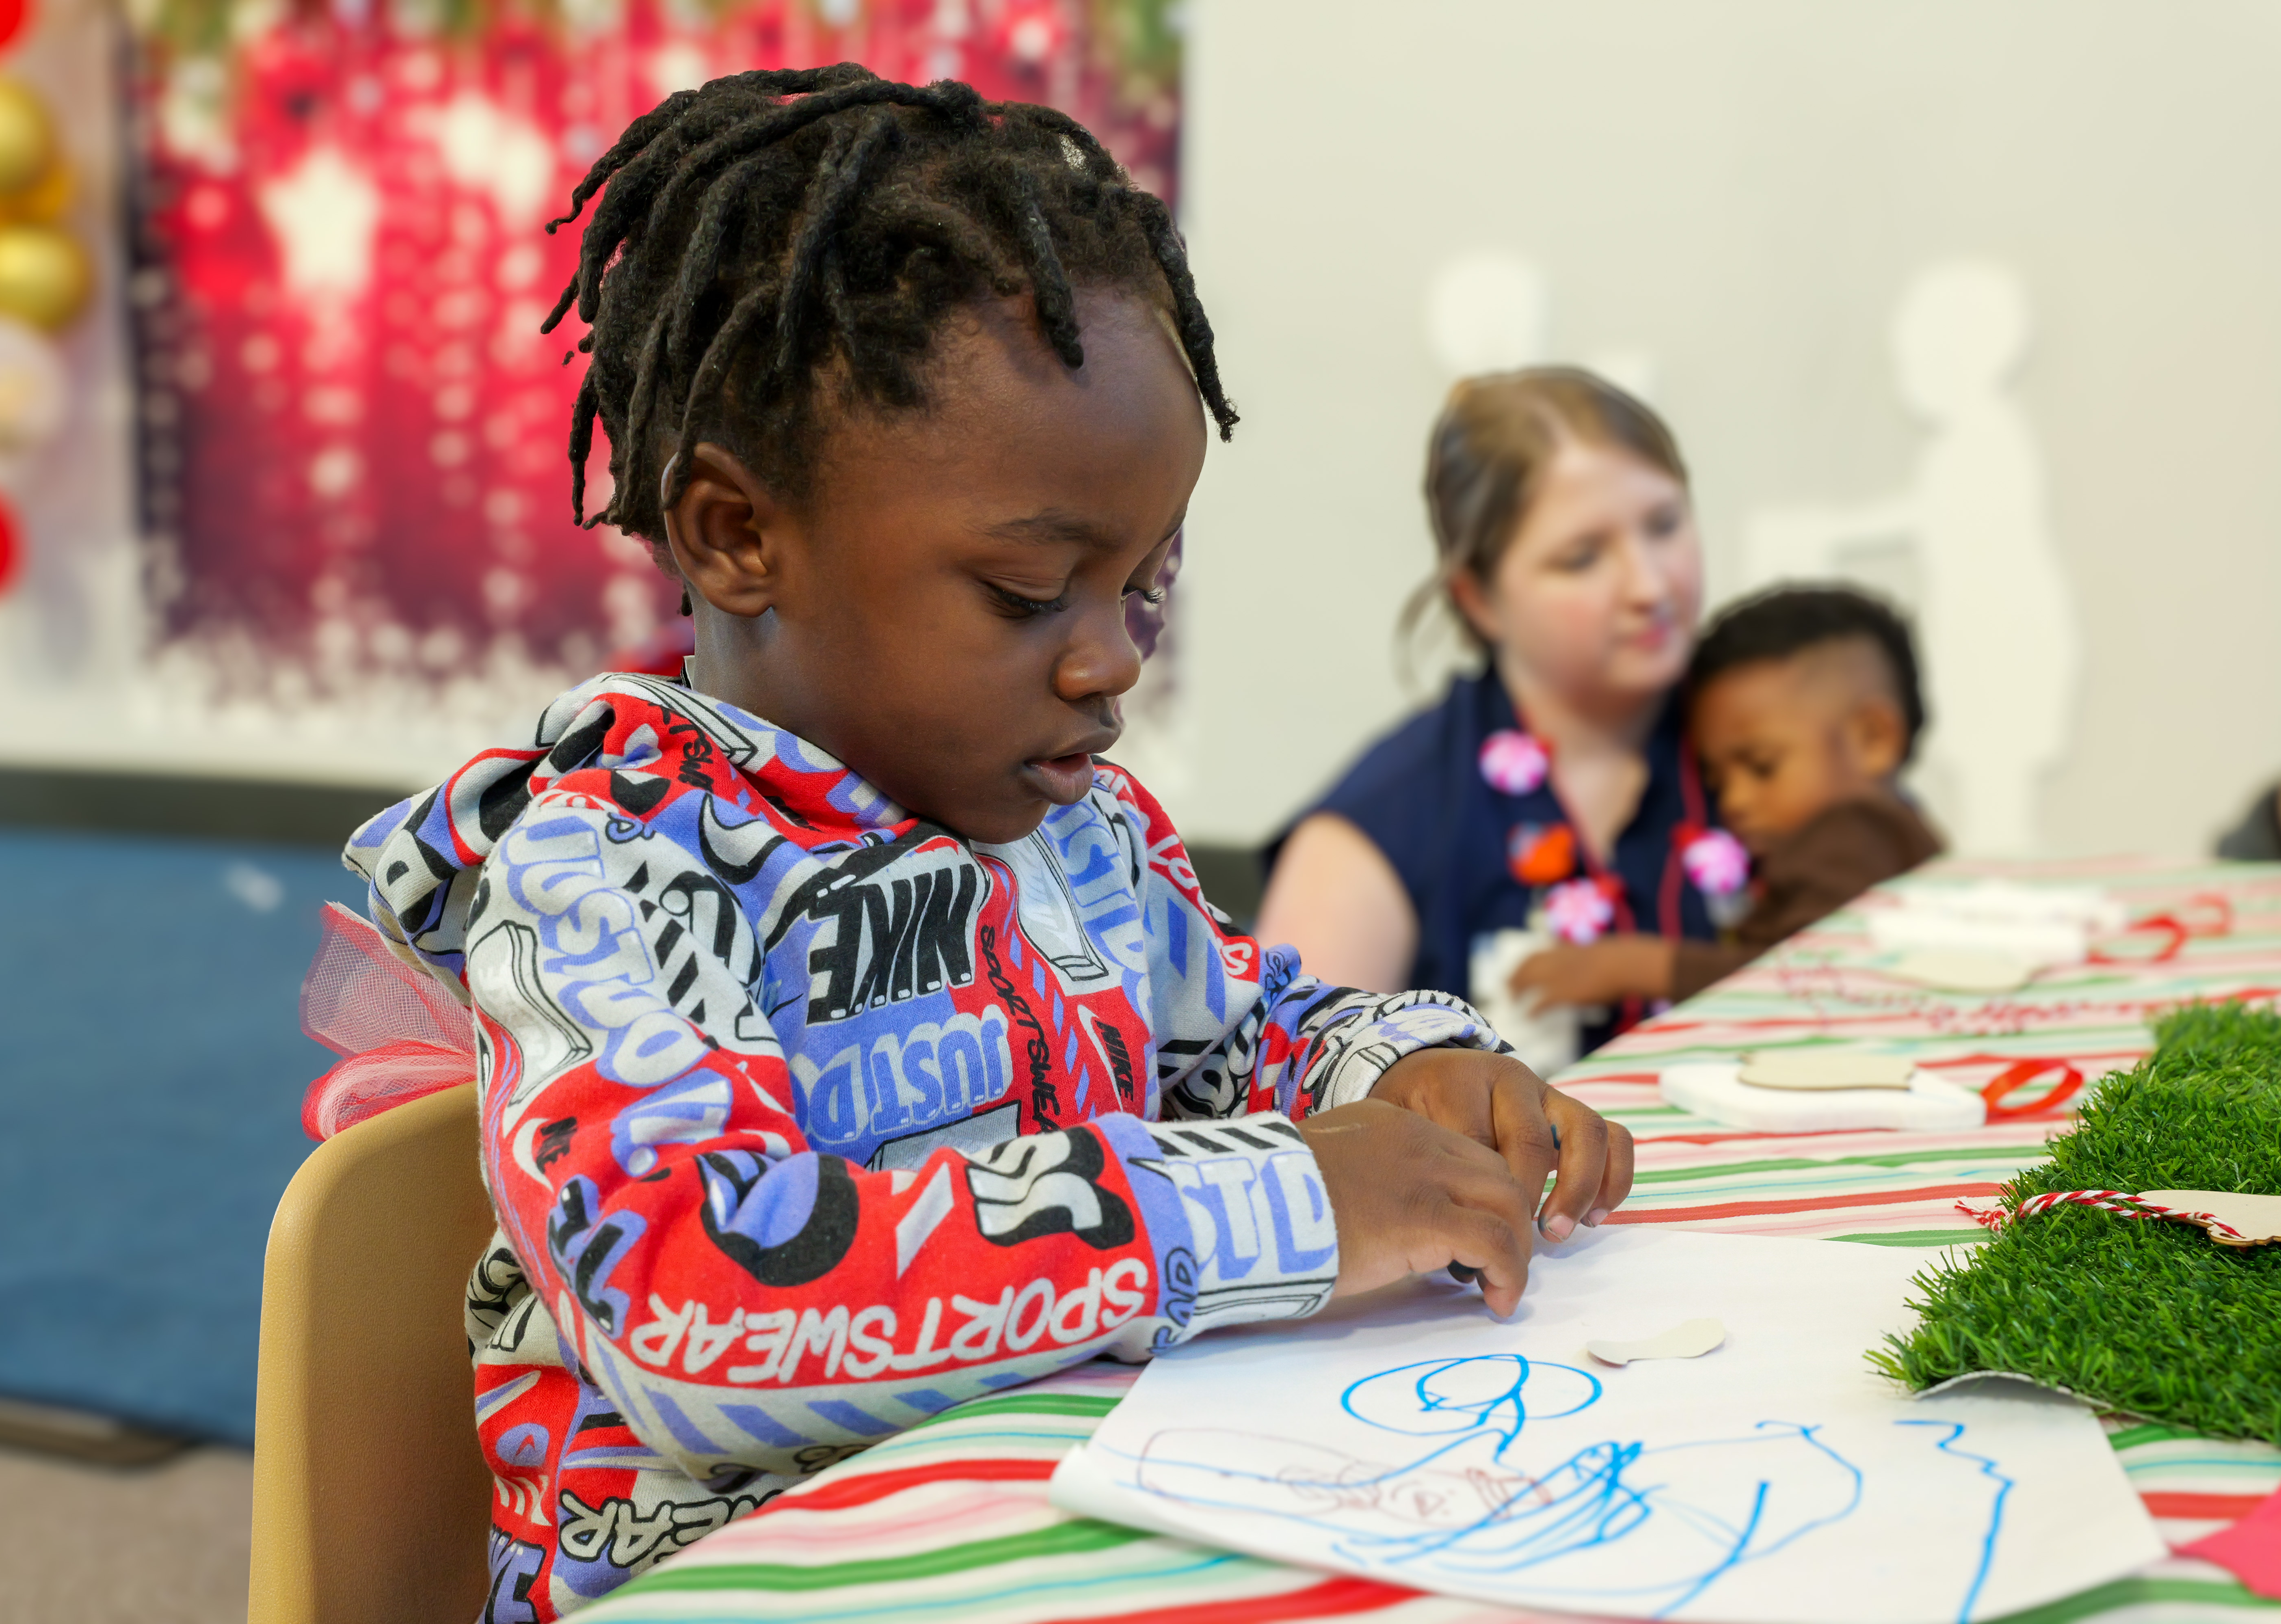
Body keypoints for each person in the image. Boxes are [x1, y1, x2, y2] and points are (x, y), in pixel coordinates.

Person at [339, 67, 1630, 1619]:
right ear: (736, 536)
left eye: (1146, 583)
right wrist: (1283, 1200)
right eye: (1031, 596)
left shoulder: (1071, 820)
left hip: (1056, 1517)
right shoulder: (610, 866)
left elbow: (1243, 1036)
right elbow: (685, 1297)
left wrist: (1400, 1074)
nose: (1112, 661)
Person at [1257, 369, 1736, 1072]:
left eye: (1665, 525)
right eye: (1582, 558)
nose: (1650, 585)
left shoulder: (1772, 740)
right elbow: (1293, 1116)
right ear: (1478, 597)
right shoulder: (1380, 828)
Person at [1511, 585, 1942, 1010]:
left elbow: (1800, 980)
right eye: (1717, 779)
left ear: (1873, 740)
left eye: (1761, 766)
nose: (1734, 800)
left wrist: (1635, 965)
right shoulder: (1878, 836)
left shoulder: (1857, 831)